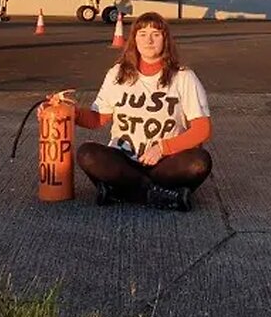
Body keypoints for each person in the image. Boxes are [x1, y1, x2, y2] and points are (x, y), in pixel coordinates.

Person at [70, 11, 213, 211]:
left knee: (200, 161)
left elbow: (202, 129)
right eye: (142, 34)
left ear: (165, 40)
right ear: (134, 40)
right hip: (124, 160)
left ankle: (120, 191)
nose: (149, 40)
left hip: (165, 163)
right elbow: (98, 118)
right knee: (87, 154)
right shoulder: (117, 74)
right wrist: (70, 112)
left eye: (156, 34)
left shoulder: (184, 77)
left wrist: (163, 148)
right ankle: (160, 195)